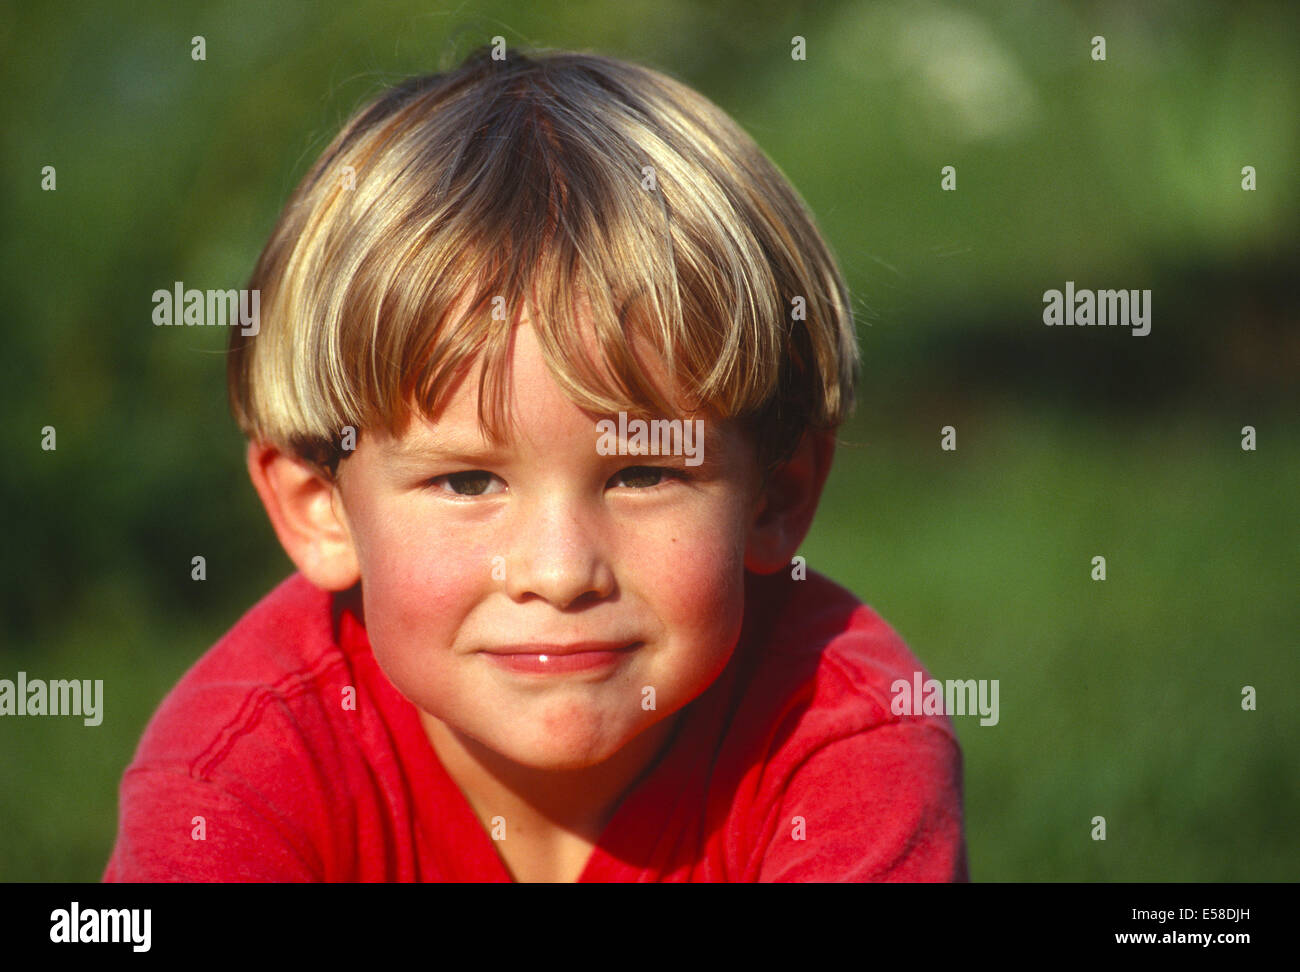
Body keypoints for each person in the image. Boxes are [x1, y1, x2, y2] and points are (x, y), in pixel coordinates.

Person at [104, 46, 968, 882]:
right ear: (319, 510)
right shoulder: (234, 776)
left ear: (777, 496)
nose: (559, 574)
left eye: (642, 475)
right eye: (468, 481)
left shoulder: (839, 733)